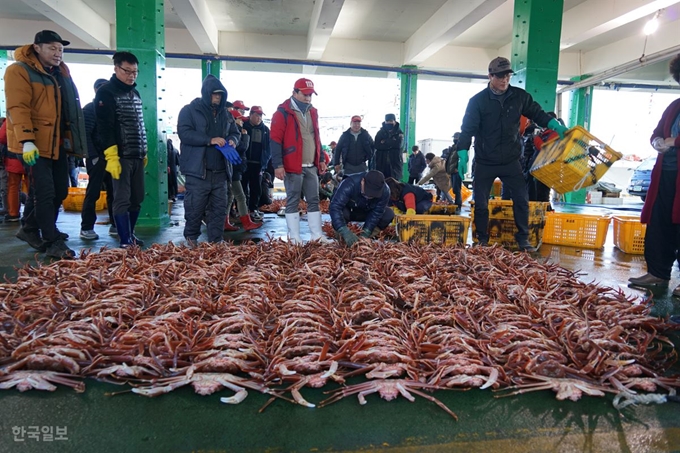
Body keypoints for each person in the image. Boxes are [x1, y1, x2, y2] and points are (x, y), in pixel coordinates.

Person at [457, 56, 568, 252]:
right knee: (481, 203)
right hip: (485, 160)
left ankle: (523, 239)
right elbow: (468, 128)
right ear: (490, 76)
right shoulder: (477, 102)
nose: (504, 80)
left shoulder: (520, 97)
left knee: (521, 199)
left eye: (507, 76)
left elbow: (537, 113)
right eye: (500, 76)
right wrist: (462, 150)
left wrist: (552, 124)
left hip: (511, 159)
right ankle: (482, 240)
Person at [5, 30, 87, 259]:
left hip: (57, 144)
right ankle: (51, 240)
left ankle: (30, 228)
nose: (58, 53)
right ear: (37, 47)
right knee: (44, 193)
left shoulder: (59, 73)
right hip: (34, 145)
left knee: (59, 190)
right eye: (52, 48)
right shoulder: (19, 71)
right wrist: (27, 140)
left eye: (61, 49)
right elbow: (18, 107)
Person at [628, 55, 680, 295]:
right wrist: (657, 141)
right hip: (666, 175)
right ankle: (658, 273)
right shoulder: (675, 106)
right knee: (659, 224)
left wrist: (675, 140)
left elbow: (672, 138)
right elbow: (657, 132)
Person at [177, 74, 241, 245]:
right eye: (214, 94)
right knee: (194, 208)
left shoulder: (226, 115)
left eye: (220, 95)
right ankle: (191, 240)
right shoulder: (188, 110)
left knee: (219, 209)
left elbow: (235, 132)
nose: (218, 98)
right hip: (198, 173)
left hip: (221, 172)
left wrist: (233, 141)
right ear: (206, 93)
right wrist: (209, 140)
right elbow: (184, 133)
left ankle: (216, 241)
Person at [96, 51, 149, 248]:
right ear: (116, 68)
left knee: (137, 197)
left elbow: (138, 124)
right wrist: (111, 155)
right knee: (122, 198)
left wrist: (144, 150)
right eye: (127, 71)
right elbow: (105, 127)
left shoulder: (134, 93)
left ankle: (131, 233)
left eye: (135, 72)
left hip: (136, 154)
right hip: (120, 156)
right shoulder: (106, 92)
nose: (132, 75)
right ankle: (125, 239)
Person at [270, 78, 330, 244]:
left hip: (311, 165)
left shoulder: (313, 112)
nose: (308, 98)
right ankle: (294, 237)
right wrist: (278, 165)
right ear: (294, 92)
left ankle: (317, 235)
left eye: (310, 94)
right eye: (304, 94)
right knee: (293, 200)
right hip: (292, 166)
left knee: (314, 199)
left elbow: (316, 137)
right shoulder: (282, 113)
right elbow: (275, 140)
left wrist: (321, 159)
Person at [80, 78, 114, 240]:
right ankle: (86, 227)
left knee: (114, 192)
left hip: (112, 158)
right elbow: (85, 134)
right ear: (95, 90)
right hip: (97, 158)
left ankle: (115, 224)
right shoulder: (89, 109)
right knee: (93, 193)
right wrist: (93, 157)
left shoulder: (112, 109)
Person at [330, 170, 394, 246]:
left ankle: (366, 238)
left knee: (388, 214)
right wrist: (344, 230)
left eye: (373, 195)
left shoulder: (385, 191)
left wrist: (366, 232)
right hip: (350, 211)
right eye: (367, 192)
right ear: (362, 181)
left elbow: (377, 213)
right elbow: (335, 206)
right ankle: (343, 237)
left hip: (367, 212)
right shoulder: (349, 183)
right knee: (341, 212)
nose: (369, 197)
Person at [225, 112, 261, 231]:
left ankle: (225, 222)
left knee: (230, 196)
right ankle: (246, 222)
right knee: (240, 196)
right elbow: (242, 148)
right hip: (234, 169)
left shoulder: (231, 132)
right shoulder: (237, 133)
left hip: (234, 168)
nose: (242, 122)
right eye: (240, 120)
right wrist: (245, 137)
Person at [242, 105, 271, 222]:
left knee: (256, 188)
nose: (259, 117)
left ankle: (253, 209)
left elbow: (269, 148)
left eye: (260, 115)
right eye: (256, 115)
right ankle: (242, 210)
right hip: (244, 163)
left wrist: (264, 162)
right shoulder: (243, 126)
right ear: (250, 115)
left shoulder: (265, 130)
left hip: (258, 164)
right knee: (242, 187)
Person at [374, 113, 404, 180]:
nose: (389, 123)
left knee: (395, 185)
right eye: (387, 121)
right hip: (382, 165)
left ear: (394, 121)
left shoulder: (399, 133)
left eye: (390, 121)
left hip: (395, 166)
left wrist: (384, 141)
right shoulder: (380, 133)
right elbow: (377, 145)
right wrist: (392, 142)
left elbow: (398, 145)